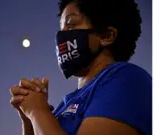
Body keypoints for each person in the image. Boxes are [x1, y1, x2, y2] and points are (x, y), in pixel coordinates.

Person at [9, 0, 152, 135]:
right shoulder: (66, 104)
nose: (61, 35)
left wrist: (38, 111)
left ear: (106, 36)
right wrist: (29, 122)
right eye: (62, 27)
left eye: (70, 25)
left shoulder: (129, 79)